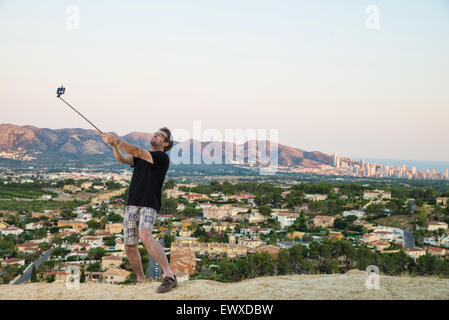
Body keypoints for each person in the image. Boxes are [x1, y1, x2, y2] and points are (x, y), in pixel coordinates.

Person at [102, 127, 177, 293]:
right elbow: (122, 159)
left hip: (149, 203)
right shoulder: (140, 158)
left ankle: (169, 276)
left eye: (160, 135)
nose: (155, 135)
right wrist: (114, 146)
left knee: (145, 235)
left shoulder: (161, 157)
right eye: (156, 133)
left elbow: (136, 151)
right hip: (132, 203)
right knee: (129, 246)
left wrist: (117, 140)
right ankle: (140, 280)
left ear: (165, 143)